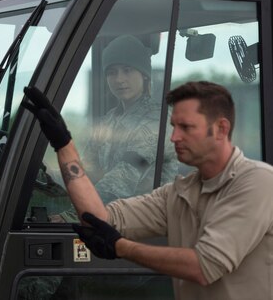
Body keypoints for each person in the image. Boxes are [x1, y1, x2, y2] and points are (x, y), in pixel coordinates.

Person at [22, 80, 273, 299]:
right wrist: (64, 146)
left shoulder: (258, 182)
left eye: (185, 127)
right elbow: (101, 218)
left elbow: (203, 266)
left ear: (221, 129)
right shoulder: (178, 193)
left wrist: (121, 247)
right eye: (174, 127)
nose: (174, 138)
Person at [54, 34, 177, 222]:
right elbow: (87, 170)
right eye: (112, 72)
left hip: (150, 225)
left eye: (127, 70)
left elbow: (126, 176)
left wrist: (72, 216)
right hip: (112, 220)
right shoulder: (108, 121)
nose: (119, 79)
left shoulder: (157, 120)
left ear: (144, 75)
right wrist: (55, 179)